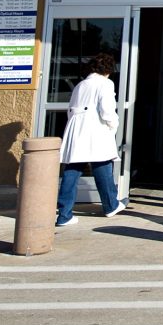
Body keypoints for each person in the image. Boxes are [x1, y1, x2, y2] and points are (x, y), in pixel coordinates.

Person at [56, 52, 126, 226]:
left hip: (76, 128)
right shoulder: (105, 84)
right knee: (102, 165)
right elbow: (107, 110)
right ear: (109, 69)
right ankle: (111, 205)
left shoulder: (81, 84)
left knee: (72, 169)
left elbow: (70, 108)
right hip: (95, 128)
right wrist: (113, 125)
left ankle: (64, 214)